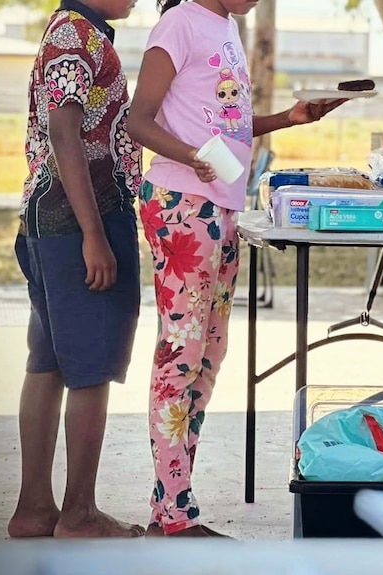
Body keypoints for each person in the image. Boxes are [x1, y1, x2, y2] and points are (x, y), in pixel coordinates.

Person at [128, 0, 346, 537]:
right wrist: (189, 156)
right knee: (181, 354)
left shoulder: (226, 26)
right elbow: (137, 119)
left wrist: (289, 119)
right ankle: (174, 515)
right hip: (183, 202)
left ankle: (171, 505)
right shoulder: (178, 23)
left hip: (221, 205)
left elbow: (223, 119)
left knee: (208, 354)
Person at [8, 0, 145, 538]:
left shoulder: (80, 33)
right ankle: (80, 513)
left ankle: (34, 510)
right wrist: (94, 234)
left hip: (56, 219)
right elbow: (66, 133)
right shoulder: (74, 37)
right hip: (78, 219)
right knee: (92, 363)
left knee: (49, 362)